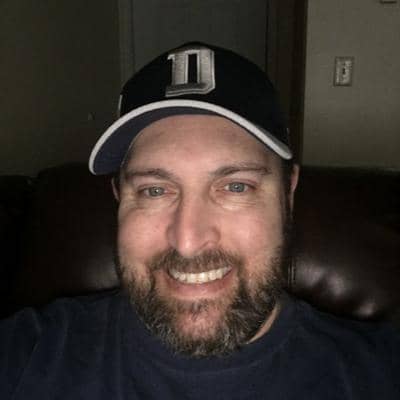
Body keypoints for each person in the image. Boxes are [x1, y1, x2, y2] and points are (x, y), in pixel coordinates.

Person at [1, 42, 399, 399]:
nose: (188, 240)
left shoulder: (380, 372)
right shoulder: (27, 353)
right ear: (119, 197)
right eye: (154, 190)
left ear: (287, 193)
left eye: (236, 187)